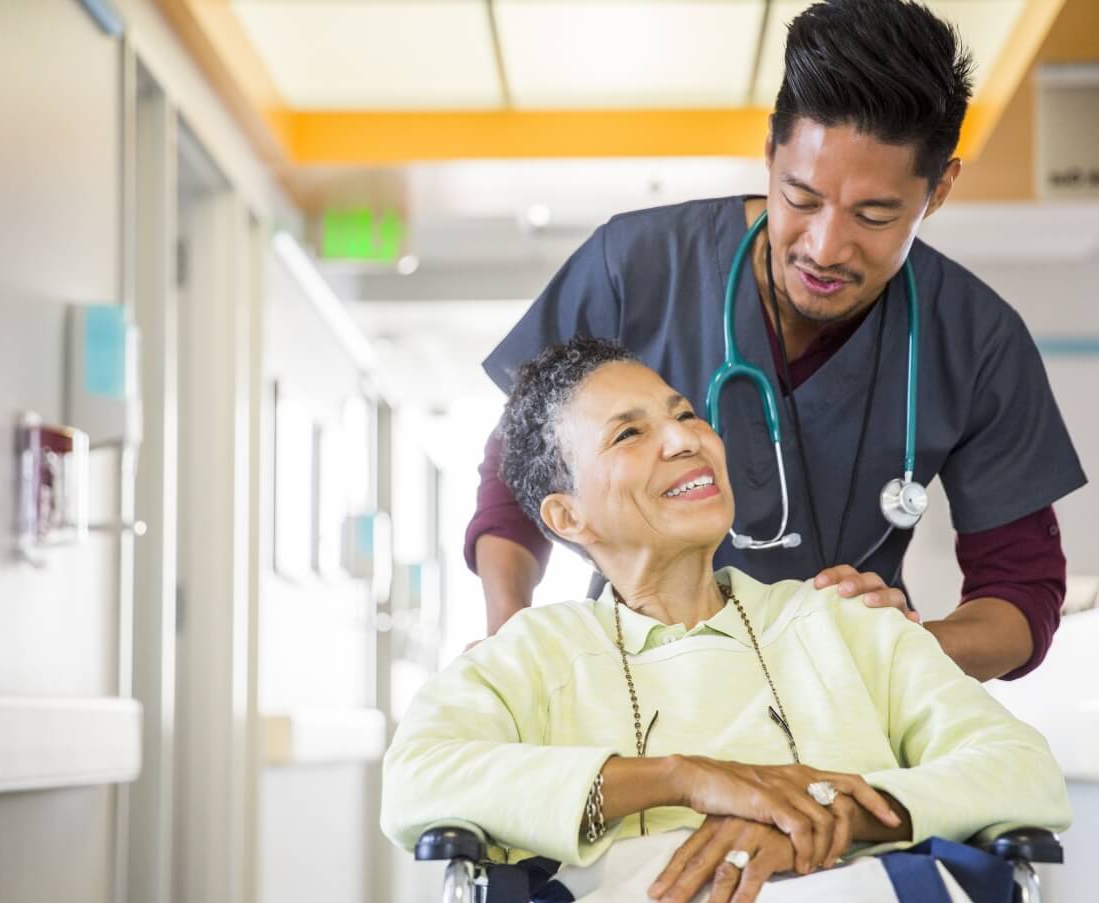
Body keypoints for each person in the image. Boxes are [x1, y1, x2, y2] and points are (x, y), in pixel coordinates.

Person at [465, 0, 1086, 682]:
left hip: (851, 710)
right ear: (770, 152)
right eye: (803, 198)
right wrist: (509, 634)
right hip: (639, 683)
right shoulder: (635, 268)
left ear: (938, 190)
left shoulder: (977, 340)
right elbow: (518, 465)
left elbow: (1024, 594)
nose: (825, 248)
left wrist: (895, 653)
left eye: (874, 216)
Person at [382, 338, 1070, 903]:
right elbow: (416, 777)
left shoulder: (844, 622)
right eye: (629, 434)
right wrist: (689, 777)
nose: (685, 441)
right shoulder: (538, 651)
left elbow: (1021, 767)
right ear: (569, 515)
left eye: (684, 415)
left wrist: (835, 813)